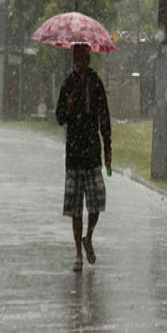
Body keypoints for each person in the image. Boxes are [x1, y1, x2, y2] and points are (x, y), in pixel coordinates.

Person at [55, 43, 112, 272]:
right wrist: (68, 107)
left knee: (96, 202)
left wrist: (107, 147)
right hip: (74, 154)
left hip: (92, 153)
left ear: (89, 58)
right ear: (74, 58)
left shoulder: (96, 83)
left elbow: (105, 117)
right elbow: (59, 117)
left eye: (86, 56)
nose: (82, 60)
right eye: (78, 56)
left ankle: (88, 237)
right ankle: (78, 252)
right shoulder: (68, 84)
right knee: (75, 207)